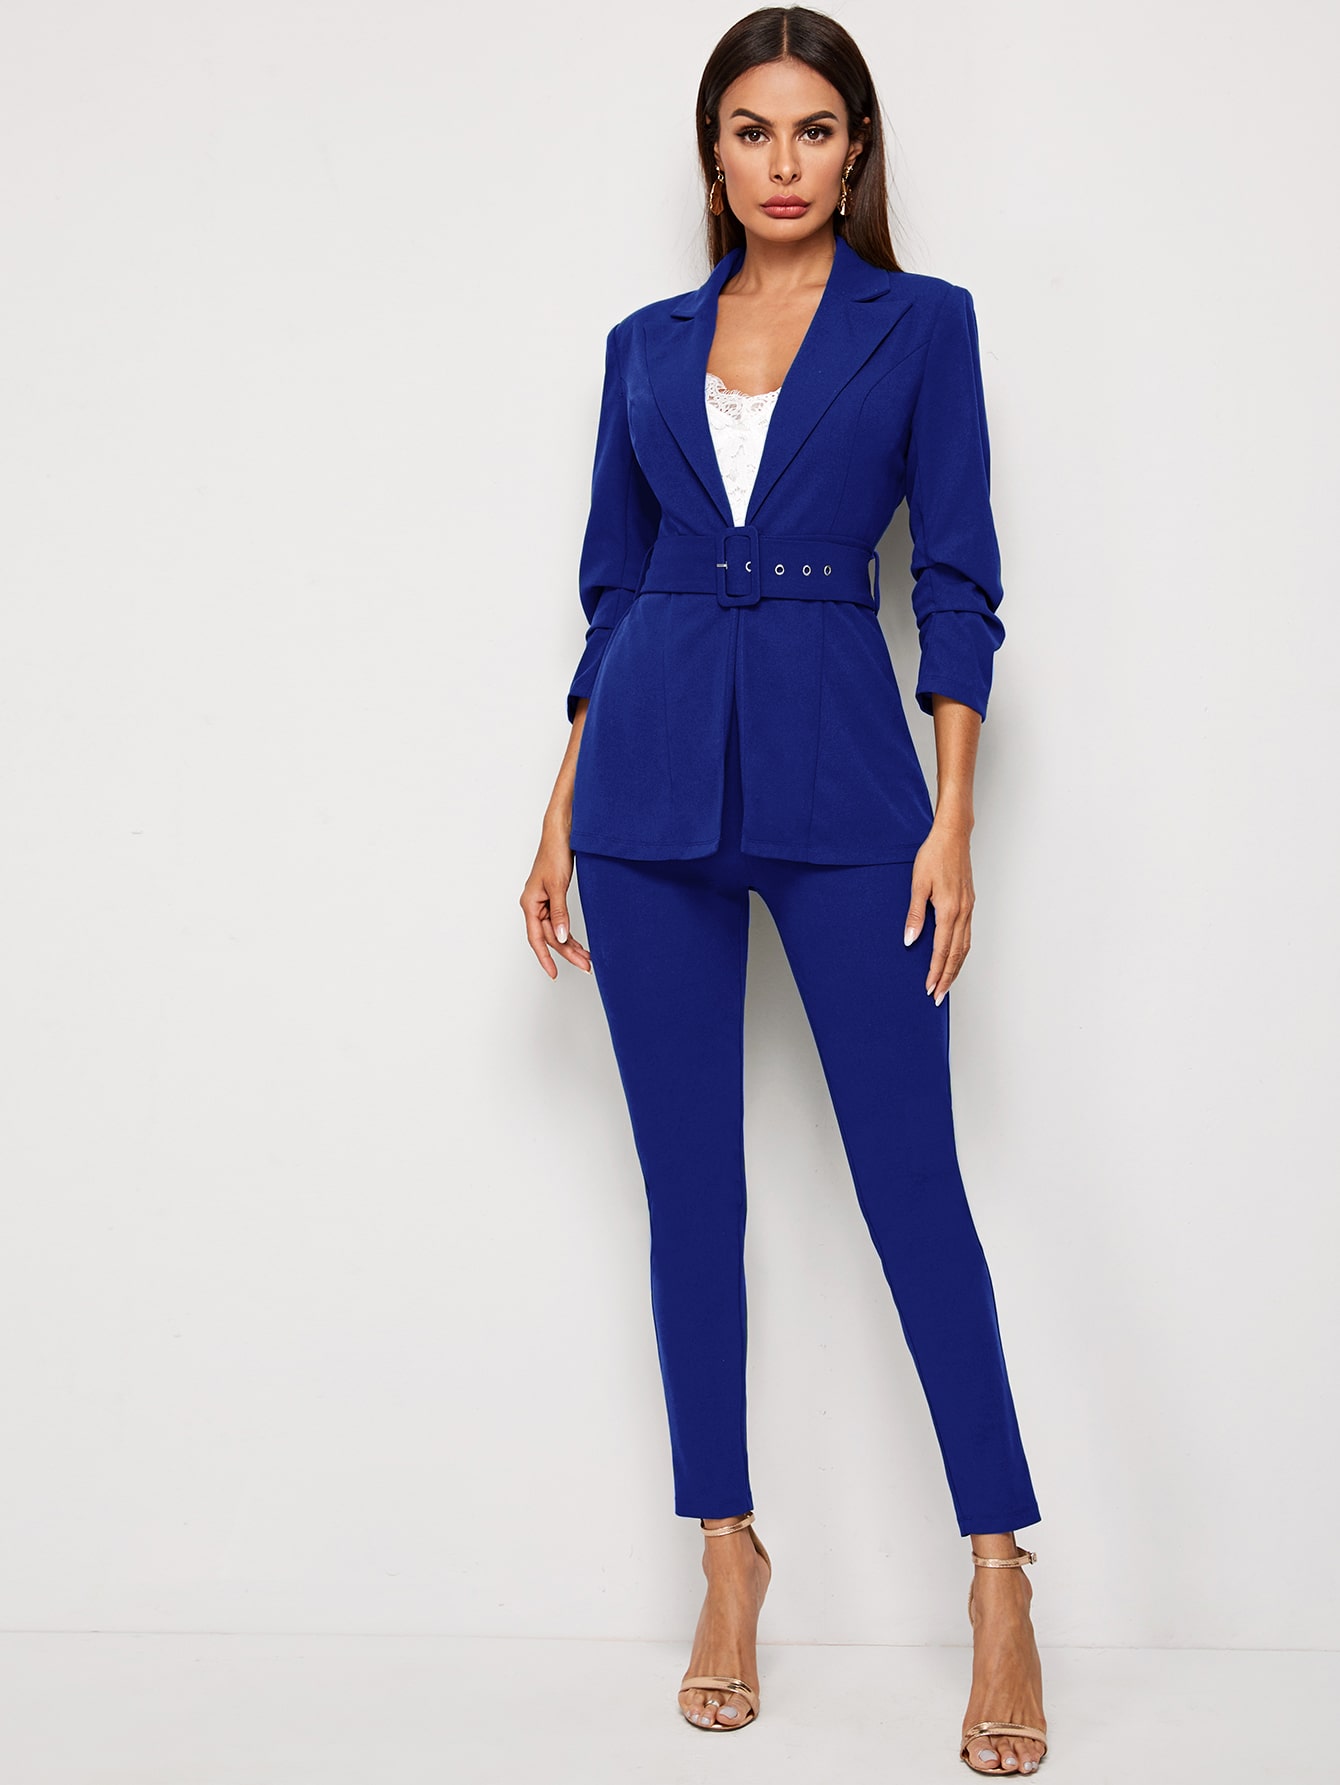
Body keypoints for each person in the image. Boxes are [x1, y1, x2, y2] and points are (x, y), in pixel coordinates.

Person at [520, 8, 1048, 1774]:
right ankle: (727, 1552)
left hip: (847, 792)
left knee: (913, 1186)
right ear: (714, 153)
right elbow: (614, 592)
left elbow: (958, 578)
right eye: (752, 131)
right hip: (645, 785)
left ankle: (999, 1572)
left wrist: (953, 819)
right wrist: (557, 809)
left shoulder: (924, 325)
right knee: (691, 1197)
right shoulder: (644, 345)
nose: (784, 162)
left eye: (815, 130)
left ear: (857, 149)